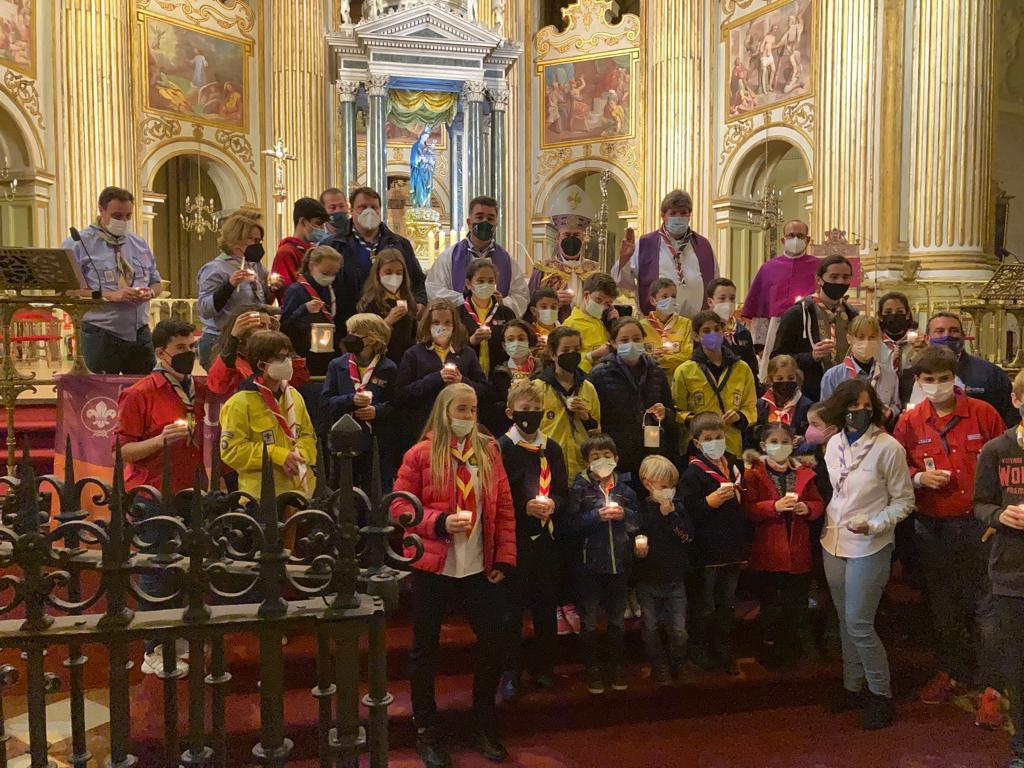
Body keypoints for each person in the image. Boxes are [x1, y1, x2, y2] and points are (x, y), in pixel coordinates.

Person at [391, 383, 516, 767]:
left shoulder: (488, 451)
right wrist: (439, 522)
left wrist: (504, 558)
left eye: (473, 410)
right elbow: (399, 507)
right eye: (461, 409)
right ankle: (427, 731)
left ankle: (483, 722)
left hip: (478, 565)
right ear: (444, 412)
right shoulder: (420, 454)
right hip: (435, 566)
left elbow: (504, 506)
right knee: (424, 650)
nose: (468, 416)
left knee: (493, 641)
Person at [892, 346, 1004, 721]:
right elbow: (894, 467)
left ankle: (991, 687)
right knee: (944, 606)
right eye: (929, 380)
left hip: (981, 525)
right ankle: (952, 673)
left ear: (954, 378)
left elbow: (1007, 464)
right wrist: (918, 478)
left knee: (987, 606)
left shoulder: (983, 413)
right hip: (933, 525)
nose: (937, 386)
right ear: (918, 381)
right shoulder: (910, 421)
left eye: (944, 379)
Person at [818, 379, 914, 730]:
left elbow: (904, 501)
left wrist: (874, 524)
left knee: (860, 623)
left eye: (865, 406)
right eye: (852, 406)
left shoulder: (888, 447)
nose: (859, 412)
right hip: (833, 539)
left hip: (870, 544)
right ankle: (852, 686)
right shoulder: (833, 444)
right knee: (845, 620)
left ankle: (880, 693)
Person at [116, 319, 204, 677]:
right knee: (156, 569)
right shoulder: (139, 393)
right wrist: (159, 441)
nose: (188, 353)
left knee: (182, 566)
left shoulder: (193, 389)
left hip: (187, 488)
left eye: (191, 347)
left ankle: (176, 634)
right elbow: (122, 450)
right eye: (180, 348)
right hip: (152, 490)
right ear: (160, 352)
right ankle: (153, 648)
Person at [498, 382, 569, 698]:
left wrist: (554, 502)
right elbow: (495, 495)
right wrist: (522, 506)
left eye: (536, 410)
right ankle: (510, 671)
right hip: (515, 539)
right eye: (524, 410)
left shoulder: (551, 449)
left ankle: (545, 667)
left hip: (546, 538)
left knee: (545, 604)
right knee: (511, 609)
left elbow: (563, 490)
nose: (531, 415)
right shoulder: (502, 448)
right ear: (511, 412)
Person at [742, 422, 825, 669]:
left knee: (795, 603)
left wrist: (807, 508)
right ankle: (767, 647)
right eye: (774, 442)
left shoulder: (803, 473)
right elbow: (748, 508)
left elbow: (818, 503)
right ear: (763, 445)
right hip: (769, 549)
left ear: (793, 444)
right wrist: (773, 507)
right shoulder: (753, 473)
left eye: (785, 442)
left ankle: (791, 646)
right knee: (769, 604)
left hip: (797, 548)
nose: (780, 446)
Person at [974, 370, 1024, 767]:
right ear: (1017, 401)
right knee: (1018, 665)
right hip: (1011, 571)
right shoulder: (996, 450)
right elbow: (981, 504)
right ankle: (1022, 745)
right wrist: (999, 515)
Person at [565, 434, 640, 694]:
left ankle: (615, 666)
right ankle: (592, 668)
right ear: (587, 462)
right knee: (588, 622)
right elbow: (568, 525)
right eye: (595, 457)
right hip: (589, 566)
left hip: (619, 563)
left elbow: (638, 520)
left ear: (616, 458)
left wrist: (624, 515)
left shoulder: (626, 490)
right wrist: (595, 516)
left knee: (617, 622)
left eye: (607, 456)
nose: (602, 461)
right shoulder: (579, 490)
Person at [62, 186, 162, 374]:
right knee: (103, 391)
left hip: (139, 333)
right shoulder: (78, 243)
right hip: (101, 334)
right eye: (117, 216)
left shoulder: (139, 243)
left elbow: (156, 283)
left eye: (128, 216)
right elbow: (68, 290)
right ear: (101, 210)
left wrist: (150, 292)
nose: (123, 221)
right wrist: (109, 295)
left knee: (144, 388)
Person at [679, 413, 749, 673]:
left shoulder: (734, 464)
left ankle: (721, 646)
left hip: (733, 547)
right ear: (697, 443)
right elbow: (685, 511)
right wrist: (709, 502)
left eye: (719, 436)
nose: (715, 442)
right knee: (705, 604)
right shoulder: (693, 472)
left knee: (726, 603)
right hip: (707, 550)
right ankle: (699, 646)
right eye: (708, 438)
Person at [219, 331, 317, 499]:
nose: (287, 362)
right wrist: (278, 455)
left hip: (303, 489)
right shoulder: (239, 403)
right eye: (280, 358)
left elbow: (308, 435)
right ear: (261, 364)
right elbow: (232, 451)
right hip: (262, 495)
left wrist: (300, 455)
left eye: (288, 356)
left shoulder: (294, 396)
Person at [587, 317, 677, 487]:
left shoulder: (656, 371)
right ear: (613, 342)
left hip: (652, 451)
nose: (631, 344)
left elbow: (671, 411)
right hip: (617, 454)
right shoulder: (599, 374)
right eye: (624, 340)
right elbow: (594, 417)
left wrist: (664, 412)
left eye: (636, 339)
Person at [395, 299, 489, 448]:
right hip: (423, 427)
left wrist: (462, 381)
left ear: (454, 325)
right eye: (436, 322)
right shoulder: (413, 354)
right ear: (427, 324)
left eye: (447, 323)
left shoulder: (467, 353)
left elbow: (484, 391)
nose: (442, 327)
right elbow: (401, 395)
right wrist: (436, 378)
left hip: (460, 428)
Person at [633, 455, 693, 686]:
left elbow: (688, 537)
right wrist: (638, 551)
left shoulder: (678, 508)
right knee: (650, 628)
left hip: (675, 579)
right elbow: (634, 538)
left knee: (679, 630)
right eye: (664, 486)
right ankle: (659, 666)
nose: (669, 490)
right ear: (648, 484)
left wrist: (672, 517)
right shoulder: (641, 510)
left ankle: (679, 662)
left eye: (672, 486)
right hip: (648, 580)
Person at [320, 314, 398, 490]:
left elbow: (396, 404)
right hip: (344, 440)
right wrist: (350, 399)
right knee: (345, 489)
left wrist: (377, 411)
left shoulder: (388, 368)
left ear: (371, 339)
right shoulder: (337, 365)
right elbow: (325, 402)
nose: (349, 337)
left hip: (376, 441)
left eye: (355, 333)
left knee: (375, 489)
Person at [329, 186, 427, 324]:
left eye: (374, 207)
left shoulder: (400, 244)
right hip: (348, 322)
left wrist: (419, 301)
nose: (369, 211)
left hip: (395, 324)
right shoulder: (335, 245)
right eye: (363, 207)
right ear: (352, 210)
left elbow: (418, 281)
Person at [612, 190, 718, 317]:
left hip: (696, 323)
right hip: (656, 324)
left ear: (689, 215)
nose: (678, 218)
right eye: (673, 213)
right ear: (663, 215)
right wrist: (624, 259)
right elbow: (623, 283)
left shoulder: (703, 246)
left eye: (683, 213)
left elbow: (715, 285)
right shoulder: (644, 244)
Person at [739, 219, 818, 380]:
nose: (795, 239)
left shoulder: (818, 266)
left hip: (809, 326)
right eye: (791, 235)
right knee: (776, 371)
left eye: (800, 236)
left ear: (808, 240)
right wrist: (759, 344)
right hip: (776, 326)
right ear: (783, 240)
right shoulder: (768, 268)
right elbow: (760, 307)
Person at [426, 195, 529, 318]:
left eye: (490, 218)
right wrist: (468, 301)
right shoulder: (449, 257)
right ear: (469, 222)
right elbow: (435, 289)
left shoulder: (507, 260)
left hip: (496, 323)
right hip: (460, 324)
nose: (485, 222)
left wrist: (502, 303)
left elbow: (521, 295)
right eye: (479, 217)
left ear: (496, 224)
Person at [771, 255, 857, 401]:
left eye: (845, 277)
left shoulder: (852, 314)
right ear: (819, 279)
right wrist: (811, 356)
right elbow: (776, 358)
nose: (840, 282)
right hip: (810, 395)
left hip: (846, 393)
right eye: (834, 277)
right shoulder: (798, 313)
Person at [673, 310, 758, 458]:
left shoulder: (742, 368)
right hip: (698, 446)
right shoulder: (684, 371)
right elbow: (677, 411)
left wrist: (739, 416)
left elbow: (750, 408)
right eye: (706, 331)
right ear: (696, 336)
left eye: (717, 329)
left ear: (723, 330)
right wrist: (696, 420)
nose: (713, 334)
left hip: (731, 446)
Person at [196, 212, 270, 369]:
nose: (257, 245)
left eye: (259, 240)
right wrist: (229, 285)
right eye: (253, 239)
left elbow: (259, 302)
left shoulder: (254, 266)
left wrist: (273, 287)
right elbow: (205, 309)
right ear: (236, 238)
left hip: (248, 340)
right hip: (219, 341)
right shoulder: (215, 269)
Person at [920, 312, 1018, 427]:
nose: (947, 335)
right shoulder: (911, 376)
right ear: (927, 338)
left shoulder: (991, 374)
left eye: (954, 330)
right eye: (939, 331)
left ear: (963, 336)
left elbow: (1011, 420)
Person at [533, 326, 601, 480]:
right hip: (549, 466)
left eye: (576, 350)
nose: (571, 354)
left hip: (582, 468)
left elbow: (597, 432)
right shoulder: (538, 388)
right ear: (553, 354)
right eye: (565, 350)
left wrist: (586, 417)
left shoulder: (588, 388)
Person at [279, 245, 345, 377]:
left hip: (328, 353)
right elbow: (284, 326)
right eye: (325, 273)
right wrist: (304, 309)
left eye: (333, 274)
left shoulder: (332, 290)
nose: (329, 277)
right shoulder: (296, 290)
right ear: (312, 266)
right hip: (304, 354)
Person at [820, 315, 901, 421]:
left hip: (879, 428)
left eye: (872, 337)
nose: (866, 342)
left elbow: (896, 404)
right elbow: (825, 411)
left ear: (878, 340)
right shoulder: (833, 376)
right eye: (861, 337)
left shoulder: (889, 374)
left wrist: (890, 412)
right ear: (849, 339)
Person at [528, 212, 601, 313]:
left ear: (583, 238)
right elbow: (530, 301)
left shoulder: (593, 269)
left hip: (586, 321)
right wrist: (552, 301)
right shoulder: (543, 268)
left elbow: (603, 299)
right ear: (558, 238)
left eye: (576, 235)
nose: (571, 238)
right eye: (566, 235)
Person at [356, 248, 418, 365]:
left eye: (398, 273)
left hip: (405, 362)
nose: (394, 277)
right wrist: (388, 321)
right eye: (388, 272)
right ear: (378, 273)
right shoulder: (369, 302)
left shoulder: (408, 300)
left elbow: (413, 335)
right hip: (379, 362)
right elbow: (364, 339)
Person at [457, 257, 518, 377]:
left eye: (491, 281)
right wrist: (471, 341)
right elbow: (451, 348)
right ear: (468, 284)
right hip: (467, 376)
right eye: (480, 281)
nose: (486, 285)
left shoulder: (506, 313)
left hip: (500, 375)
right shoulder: (458, 313)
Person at [270, 197, 329, 298]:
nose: (322, 229)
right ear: (303, 222)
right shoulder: (286, 252)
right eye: (318, 224)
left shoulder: (313, 251)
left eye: (323, 225)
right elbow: (287, 292)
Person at [488, 320, 538, 435]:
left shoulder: (543, 369)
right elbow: (494, 409)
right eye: (510, 340)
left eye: (521, 338)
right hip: (509, 431)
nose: (516, 343)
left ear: (529, 341)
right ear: (504, 345)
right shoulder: (498, 373)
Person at [563, 272, 619, 373]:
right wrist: (591, 356)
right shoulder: (570, 325)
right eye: (599, 299)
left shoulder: (600, 322)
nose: (602, 306)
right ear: (586, 295)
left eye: (607, 303)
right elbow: (565, 361)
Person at [639, 277, 694, 378]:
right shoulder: (641, 326)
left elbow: (688, 355)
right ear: (653, 300)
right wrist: (651, 357)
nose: (670, 300)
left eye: (673, 296)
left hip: (677, 379)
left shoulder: (686, 324)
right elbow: (638, 356)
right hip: (650, 379)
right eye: (664, 297)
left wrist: (662, 359)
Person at [706, 278, 759, 378]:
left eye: (732, 298)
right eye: (722, 298)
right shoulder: (704, 331)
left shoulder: (743, 332)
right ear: (710, 302)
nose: (728, 303)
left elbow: (752, 368)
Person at [758, 354, 812, 437]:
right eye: (780, 379)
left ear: (797, 377)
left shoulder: (807, 406)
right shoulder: (760, 405)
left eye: (791, 378)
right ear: (770, 380)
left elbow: (810, 435)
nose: (786, 382)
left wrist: (803, 439)